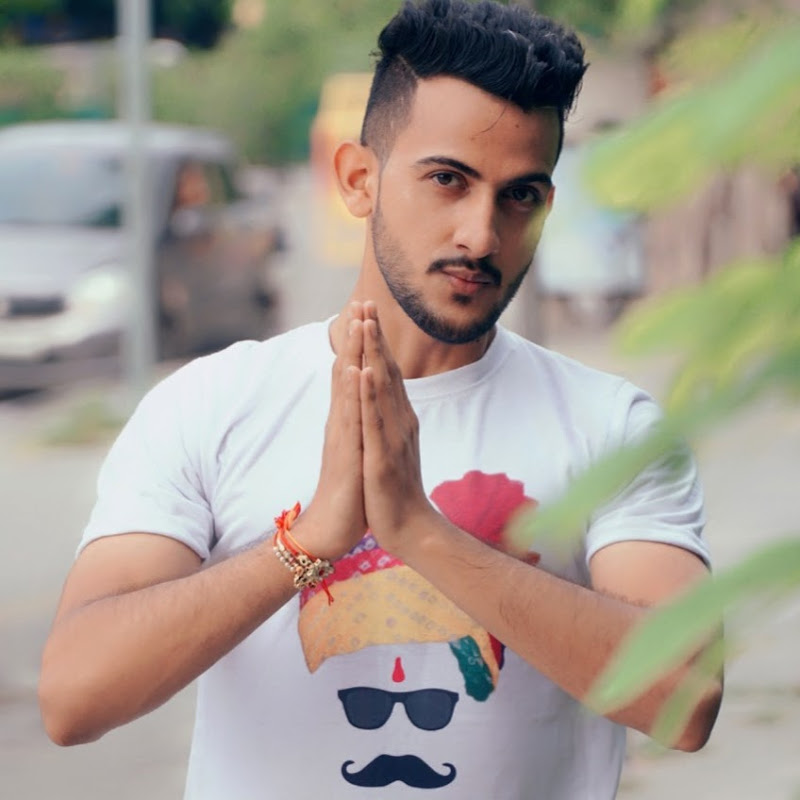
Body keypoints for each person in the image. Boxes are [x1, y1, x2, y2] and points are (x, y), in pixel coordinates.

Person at [39, 1, 722, 798]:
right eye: (447, 180)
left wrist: (421, 533)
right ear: (359, 179)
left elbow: (686, 701)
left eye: (520, 196)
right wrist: (306, 543)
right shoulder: (212, 404)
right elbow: (73, 697)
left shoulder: (612, 427)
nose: (481, 234)